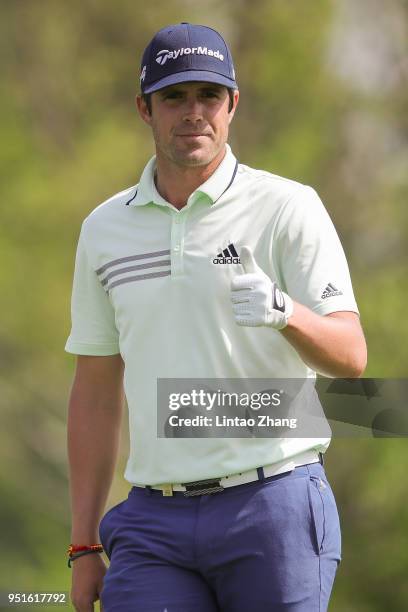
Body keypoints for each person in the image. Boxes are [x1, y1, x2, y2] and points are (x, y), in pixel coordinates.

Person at [65, 22, 367, 612]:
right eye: (173, 96)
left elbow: (351, 355)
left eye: (208, 95)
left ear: (233, 104)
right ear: (144, 110)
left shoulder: (287, 206)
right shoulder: (104, 229)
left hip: (273, 501)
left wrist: (287, 314)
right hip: (153, 518)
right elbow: (96, 391)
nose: (193, 112)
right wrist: (82, 545)